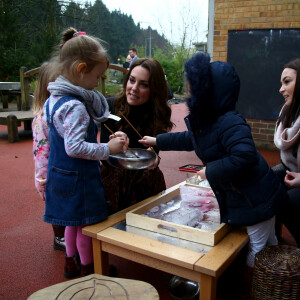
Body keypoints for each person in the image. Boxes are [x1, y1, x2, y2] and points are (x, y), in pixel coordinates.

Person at [139, 52, 288, 268]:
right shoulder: (208, 121)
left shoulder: (229, 121)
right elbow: (188, 139)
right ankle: (275, 278)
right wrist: (157, 141)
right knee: (268, 245)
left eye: (195, 87)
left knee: (257, 253)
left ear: (210, 92)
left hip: (257, 199)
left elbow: (244, 156)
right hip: (249, 196)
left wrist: (210, 171)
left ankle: (262, 286)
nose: (191, 91)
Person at [43, 27, 129, 278]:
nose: (99, 82)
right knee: (86, 228)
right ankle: (90, 270)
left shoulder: (53, 99)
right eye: (98, 76)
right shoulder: (76, 107)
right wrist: (107, 149)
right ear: (81, 70)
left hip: (60, 176)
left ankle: (70, 263)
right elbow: (75, 147)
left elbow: (61, 137)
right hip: (79, 180)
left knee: (71, 225)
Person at [100, 57, 173, 215]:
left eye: (143, 85)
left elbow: (153, 155)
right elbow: (103, 159)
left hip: (145, 179)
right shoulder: (111, 106)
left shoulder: (158, 114)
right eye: (131, 80)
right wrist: (112, 145)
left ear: (154, 89)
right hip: (114, 178)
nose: (134, 88)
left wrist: (155, 159)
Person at [32, 59, 66, 252]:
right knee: (57, 205)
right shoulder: (42, 118)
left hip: (61, 168)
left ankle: (64, 234)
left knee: (66, 204)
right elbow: (41, 152)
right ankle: (59, 237)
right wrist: (43, 179)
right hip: (50, 173)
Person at [273, 58, 300, 247]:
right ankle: (272, 239)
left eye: (287, 81)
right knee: (266, 182)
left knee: (287, 201)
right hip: (293, 170)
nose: (281, 89)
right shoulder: (290, 112)